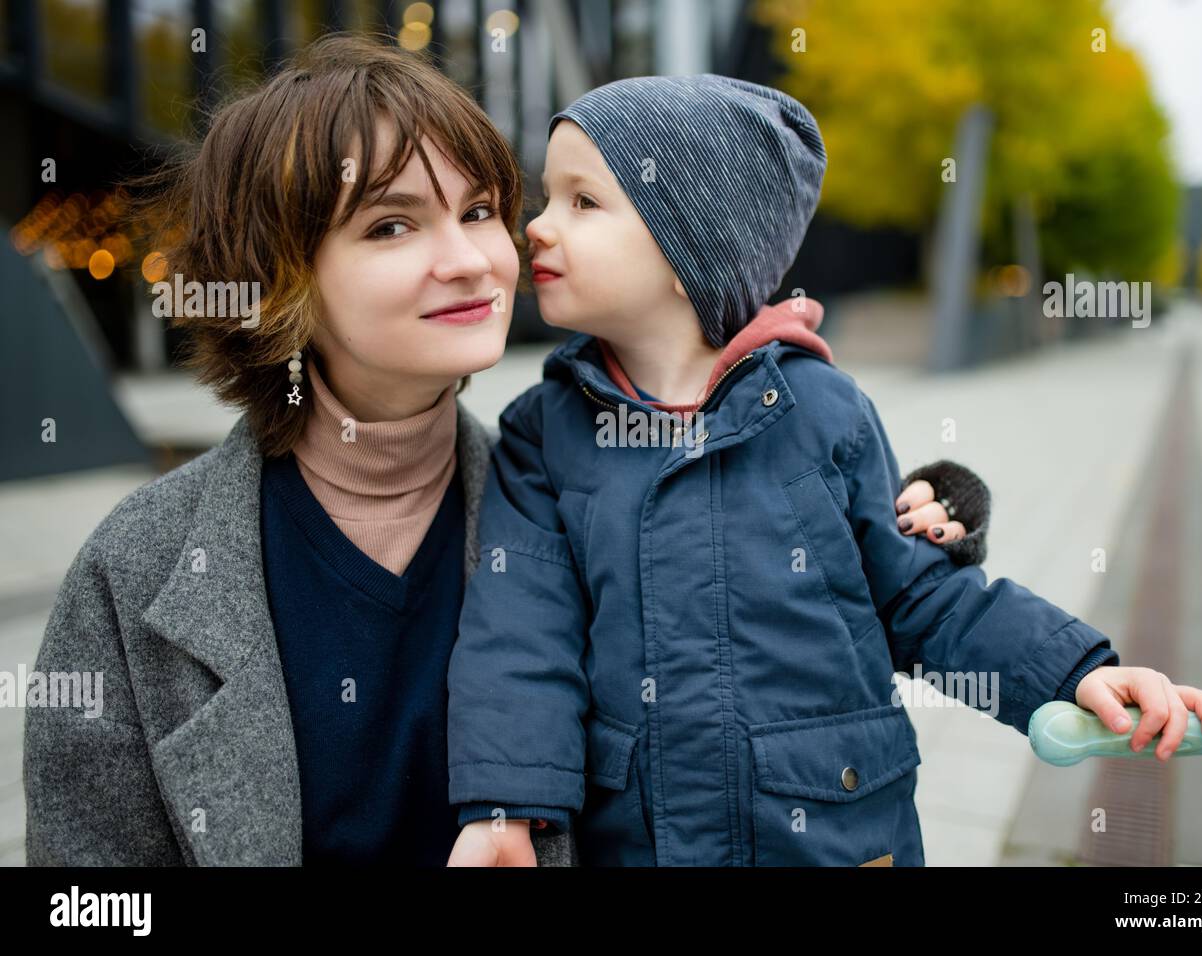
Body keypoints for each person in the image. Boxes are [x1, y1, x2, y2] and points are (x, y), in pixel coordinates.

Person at [22, 36, 984, 866]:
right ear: (277, 282)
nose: (476, 257)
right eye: (393, 224)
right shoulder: (140, 566)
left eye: (479, 209)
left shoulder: (570, 494)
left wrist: (928, 512)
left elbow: (787, 598)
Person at [445, 74, 1202, 866]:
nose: (536, 228)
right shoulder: (546, 436)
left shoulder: (821, 413)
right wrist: (508, 806)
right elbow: (520, 633)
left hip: (835, 829)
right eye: (547, 199)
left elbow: (923, 596)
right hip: (644, 840)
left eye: (582, 202)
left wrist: (1068, 673)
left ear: (692, 247)